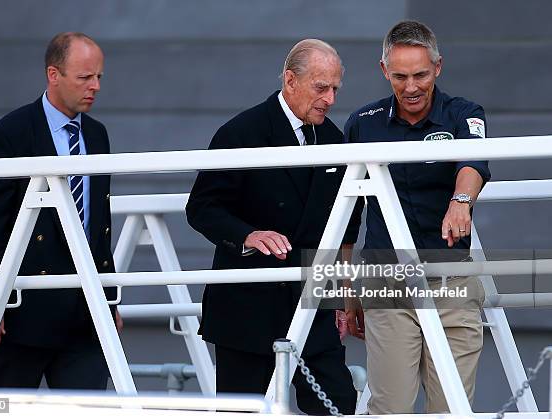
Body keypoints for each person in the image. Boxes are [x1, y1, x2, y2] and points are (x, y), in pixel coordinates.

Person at [186, 39, 359, 415]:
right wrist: (247, 235)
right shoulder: (241, 132)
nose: (330, 99)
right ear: (290, 80)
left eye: (335, 89)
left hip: (312, 303)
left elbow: (344, 224)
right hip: (248, 308)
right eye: (320, 87)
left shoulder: (333, 140)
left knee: (338, 404)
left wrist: (340, 298)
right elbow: (202, 206)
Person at [0, 32, 121, 389]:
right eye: (85, 77)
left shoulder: (97, 135)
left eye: (99, 77)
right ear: (53, 74)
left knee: (87, 413)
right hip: (20, 312)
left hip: (84, 309)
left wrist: (109, 299)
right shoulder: (12, 133)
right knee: (2, 412)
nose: (95, 87)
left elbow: (97, 224)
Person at [342, 21, 489, 413]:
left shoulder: (464, 113)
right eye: (400, 76)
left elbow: (473, 161)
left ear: (438, 67)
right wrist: (346, 285)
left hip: (452, 279)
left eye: (420, 74)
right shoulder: (362, 123)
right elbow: (348, 211)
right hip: (385, 279)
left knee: (451, 409)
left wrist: (461, 201)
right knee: (390, 408)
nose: (411, 87)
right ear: (384, 71)